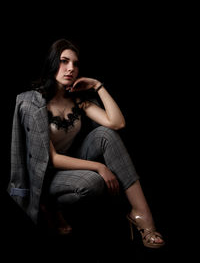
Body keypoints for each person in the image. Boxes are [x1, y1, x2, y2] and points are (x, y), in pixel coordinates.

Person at [7, 38, 165, 247]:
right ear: (53, 63)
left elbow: (116, 123)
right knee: (93, 182)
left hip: (70, 165)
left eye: (75, 63)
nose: (70, 68)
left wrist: (98, 86)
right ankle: (48, 205)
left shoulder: (78, 100)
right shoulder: (33, 103)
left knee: (105, 134)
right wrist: (99, 166)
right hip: (45, 175)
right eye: (64, 61)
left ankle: (142, 216)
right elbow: (51, 158)